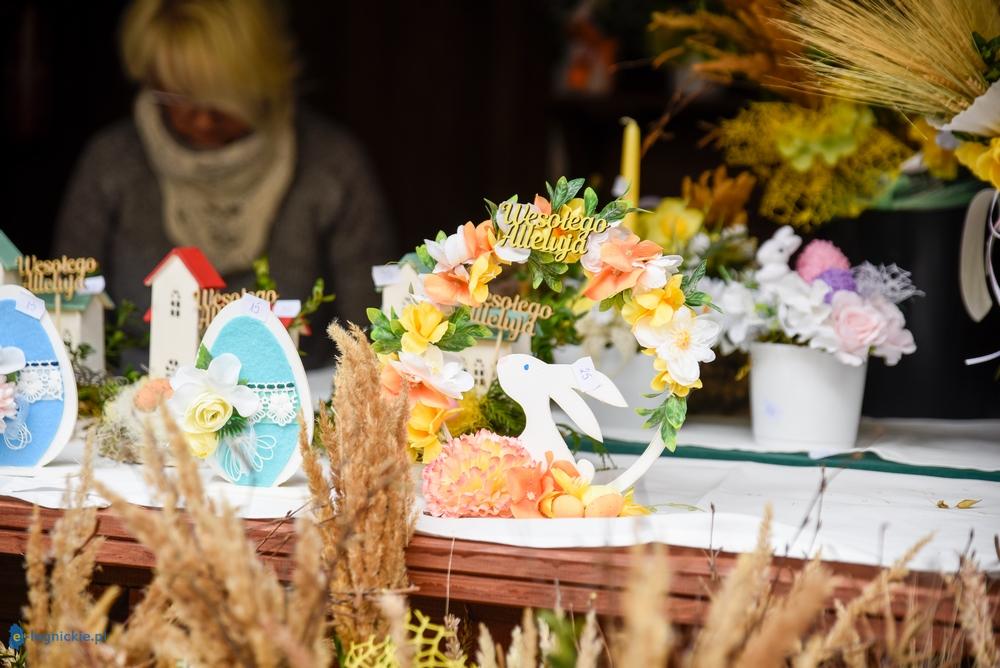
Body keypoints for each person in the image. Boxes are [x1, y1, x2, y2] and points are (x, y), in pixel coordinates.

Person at [53, 0, 394, 365]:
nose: (202, 121)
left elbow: (372, 329)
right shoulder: (110, 164)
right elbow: (68, 311)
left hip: (294, 404)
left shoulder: (331, 166)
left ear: (267, 80)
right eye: (178, 97)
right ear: (149, 79)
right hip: (135, 400)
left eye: (223, 100)